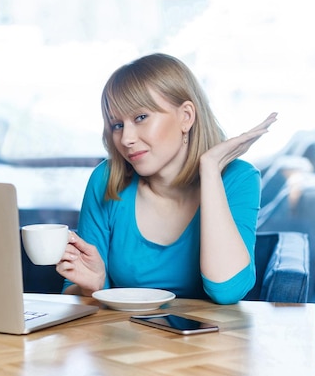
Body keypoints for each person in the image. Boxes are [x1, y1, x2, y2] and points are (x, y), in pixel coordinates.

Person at [56, 53, 278, 305]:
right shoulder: (106, 180)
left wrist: (210, 168)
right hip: (124, 341)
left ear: (186, 116)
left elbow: (227, 290)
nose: (126, 138)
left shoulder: (238, 178)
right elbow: (72, 292)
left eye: (140, 117)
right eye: (117, 125)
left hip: (208, 342)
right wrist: (92, 288)